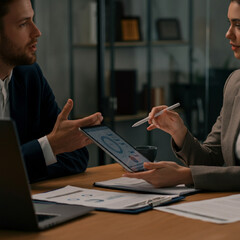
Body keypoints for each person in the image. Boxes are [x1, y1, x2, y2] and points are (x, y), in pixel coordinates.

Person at [124, 0, 240, 191]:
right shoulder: (235, 83)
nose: (228, 33)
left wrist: (185, 175)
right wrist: (179, 131)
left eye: (238, 25)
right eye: (229, 23)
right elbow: (210, 159)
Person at [0, 0, 103, 183]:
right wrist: (47, 148)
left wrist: (26, 163)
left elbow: (75, 157)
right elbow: (54, 148)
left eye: (32, 20)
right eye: (23, 24)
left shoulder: (29, 75)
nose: (37, 32)